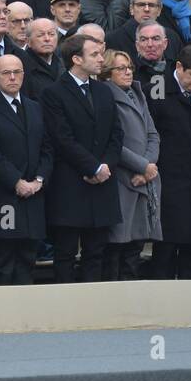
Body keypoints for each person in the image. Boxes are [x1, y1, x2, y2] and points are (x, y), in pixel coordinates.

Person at [40, 34, 122, 283]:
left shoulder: (104, 91)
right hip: (71, 184)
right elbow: (62, 138)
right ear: (76, 58)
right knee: (65, 253)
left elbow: (116, 134)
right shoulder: (53, 93)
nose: (101, 59)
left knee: (96, 252)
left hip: (102, 183)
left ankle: (94, 308)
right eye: (94, 54)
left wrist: (105, 165)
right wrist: (92, 166)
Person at [0, 54, 53, 286]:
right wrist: (16, 182)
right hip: (5, 196)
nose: (12, 77)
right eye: (6, 73)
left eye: (17, 72)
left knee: (28, 258)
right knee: (5, 260)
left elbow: (47, 148)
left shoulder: (34, 107)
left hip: (34, 195)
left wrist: (39, 179)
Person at [146, 44, 191, 280]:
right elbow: (149, 128)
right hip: (169, 180)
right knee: (166, 248)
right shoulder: (158, 86)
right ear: (179, 67)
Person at [99, 49, 161, 281]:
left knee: (136, 244)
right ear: (107, 72)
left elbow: (153, 134)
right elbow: (113, 142)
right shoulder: (106, 95)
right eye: (120, 68)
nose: (127, 72)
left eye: (129, 67)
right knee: (116, 244)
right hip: (121, 179)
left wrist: (147, 169)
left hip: (145, 179)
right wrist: (142, 166)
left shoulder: (138, 93)